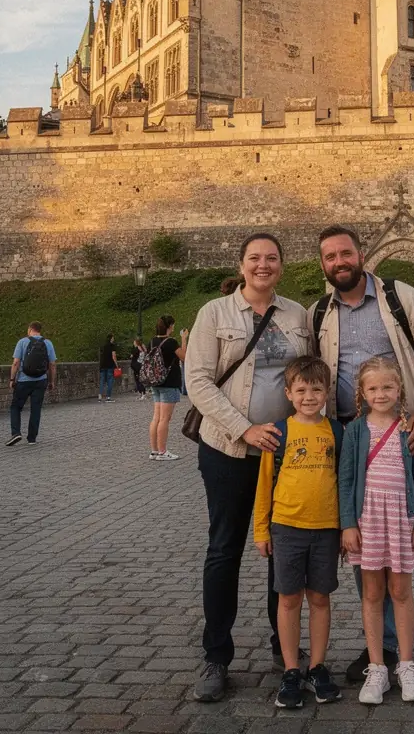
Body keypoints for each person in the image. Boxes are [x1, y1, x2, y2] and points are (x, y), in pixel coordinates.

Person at [312, 225, 414, 691]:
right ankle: (383, 650)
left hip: (409, 436)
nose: (339, 262)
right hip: (355, 441)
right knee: (372, 552)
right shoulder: (319, 313)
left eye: (346, 253)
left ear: (361, 255)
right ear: (323, 265)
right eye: (330, 257)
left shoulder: (398, 296)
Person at [186, 233, 312, 704]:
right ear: (241, 266)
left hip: (285, 455)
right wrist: (244, 428)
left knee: (285, 552)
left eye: (272, 259)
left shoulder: (297, 315)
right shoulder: (214, 314)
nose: (263, 266)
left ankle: (284, 650)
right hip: (227, 450)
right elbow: (197, 381)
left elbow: (310, 377)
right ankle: (216, 657)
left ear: (282, 265)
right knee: (225, 550)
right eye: (255, 259)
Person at [253, 356, 343, 710]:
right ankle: (291, 668)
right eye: (301, 390)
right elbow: (264, 485)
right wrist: (262, 529)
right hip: (287, 528)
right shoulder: (279, 432)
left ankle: (318, 665)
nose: (309, 396)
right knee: (288, 600)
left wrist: (347, 527)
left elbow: (345, 482)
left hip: (326, 528)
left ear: (327, 392)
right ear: (289, 393)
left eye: (316, 389)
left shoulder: (336, 432)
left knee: (320, 599)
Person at [339, 357, 414, 704]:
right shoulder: (355, 431)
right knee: (372, 593)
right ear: (362, 393)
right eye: (373, 388)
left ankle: (406, 665)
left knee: (402, 591)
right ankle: (377, 666)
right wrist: (347, 523)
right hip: (368, 522)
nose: (381, 394)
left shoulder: (409, 429)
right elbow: (346, 479)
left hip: (401, 521)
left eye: (388, 387)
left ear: (399, 389)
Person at [7, 322, 56, 446]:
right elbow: (52, 365)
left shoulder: (22, 342)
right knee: (36, 409)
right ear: (40, 330)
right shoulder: (48, 343)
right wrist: (51, 381)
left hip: (24, 380)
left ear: (30, 329)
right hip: (41, 380)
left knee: (15, 407)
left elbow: (16, 362)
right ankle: (32, 438)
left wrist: (12, 379)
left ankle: (16, 433)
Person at [147, 316, 187, 461]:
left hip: (155, 382)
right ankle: (163, 451)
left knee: (156, 417)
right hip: (169, 383)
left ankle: (154, 451)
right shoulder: (170, 342)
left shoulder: (152, 341)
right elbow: (184, 357)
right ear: (170, 326)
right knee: (165, 419)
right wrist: (184, 339)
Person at [98, 333, 117, 402]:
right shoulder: (112, 346)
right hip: (110, 365)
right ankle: (108, 397)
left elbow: (101, 356)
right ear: (111, 338)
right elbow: (114, 356)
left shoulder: (103, 346)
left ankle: (100, 396)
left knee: (102, 381)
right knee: (110, 381)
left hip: (103, 365)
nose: (113, 339)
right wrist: (116, 365)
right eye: (113, 338)